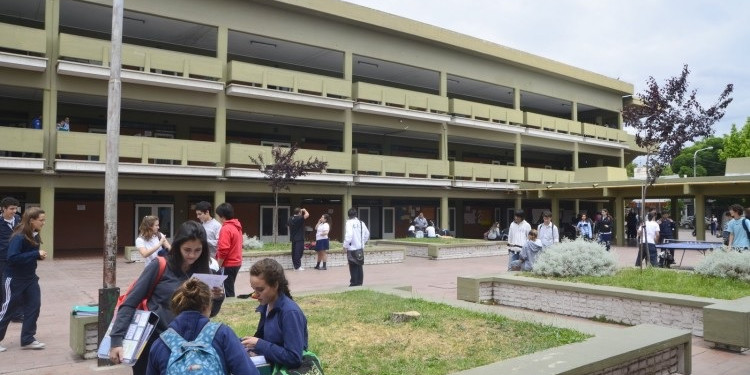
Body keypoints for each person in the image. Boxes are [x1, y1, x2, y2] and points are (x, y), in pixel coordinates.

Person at [109, 220, 224, 373]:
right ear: (177, 247)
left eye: (197, 250)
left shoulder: (204, 273)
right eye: (187, 249)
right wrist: (116, 340)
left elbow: (210, 313)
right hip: (154, 344)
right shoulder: (160, 265)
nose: (192, 255)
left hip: (186, 348)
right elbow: (130, 302)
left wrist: (217, 298)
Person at [146, 279, 258, 375]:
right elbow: (248, 372)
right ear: (207, 306)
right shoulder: (222, 334)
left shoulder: (161, 343)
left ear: (176, 309)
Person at [242, 258, 308, 369]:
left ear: (275, 285)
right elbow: (263, 339)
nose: (255, 295)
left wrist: (259, 344)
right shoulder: (266, 305)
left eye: (260, 290)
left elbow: (294, 358)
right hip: (271, 363)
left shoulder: (290, 313)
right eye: (254, 289)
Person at [0, 207, 48, 352]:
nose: (43, 223)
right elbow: (12, 258)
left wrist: (38, 256)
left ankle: (28, 339)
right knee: (8, 309)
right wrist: (35, 254)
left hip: (30, 278)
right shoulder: (19, 236)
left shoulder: (35, 234)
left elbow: (30, 255)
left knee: (34, 306)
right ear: (31, 220)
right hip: (14, 279)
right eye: (41, 220)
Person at [0, 197, 24, 324]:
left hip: (16, 259)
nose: (14, 211)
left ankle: (17, 314)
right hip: (2, 260)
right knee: (3, 287)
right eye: (11, 208)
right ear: (3, 209)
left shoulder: (19, 220)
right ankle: (3, 313)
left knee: (17, 285)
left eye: (16, 208)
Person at [216, 203, 243, 297]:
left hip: (228, 263)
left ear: (222, 216)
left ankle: (230, 304)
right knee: (229, 287)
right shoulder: (237, 226)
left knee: (228, 290)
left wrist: (218, 265)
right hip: (236, 262)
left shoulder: (226, 229)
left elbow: (223, 249)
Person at [344, 208, 369, 287]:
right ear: (356, 214)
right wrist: (362, 243)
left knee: (353, 265)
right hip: (360, 248)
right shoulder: (361, 223)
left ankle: (354, 283)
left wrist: (345, 245)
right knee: (359, 265)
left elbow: (349, 235)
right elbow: (367, 234)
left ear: (348, 215)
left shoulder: (349, 223)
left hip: (352, 248)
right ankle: (359, 282)